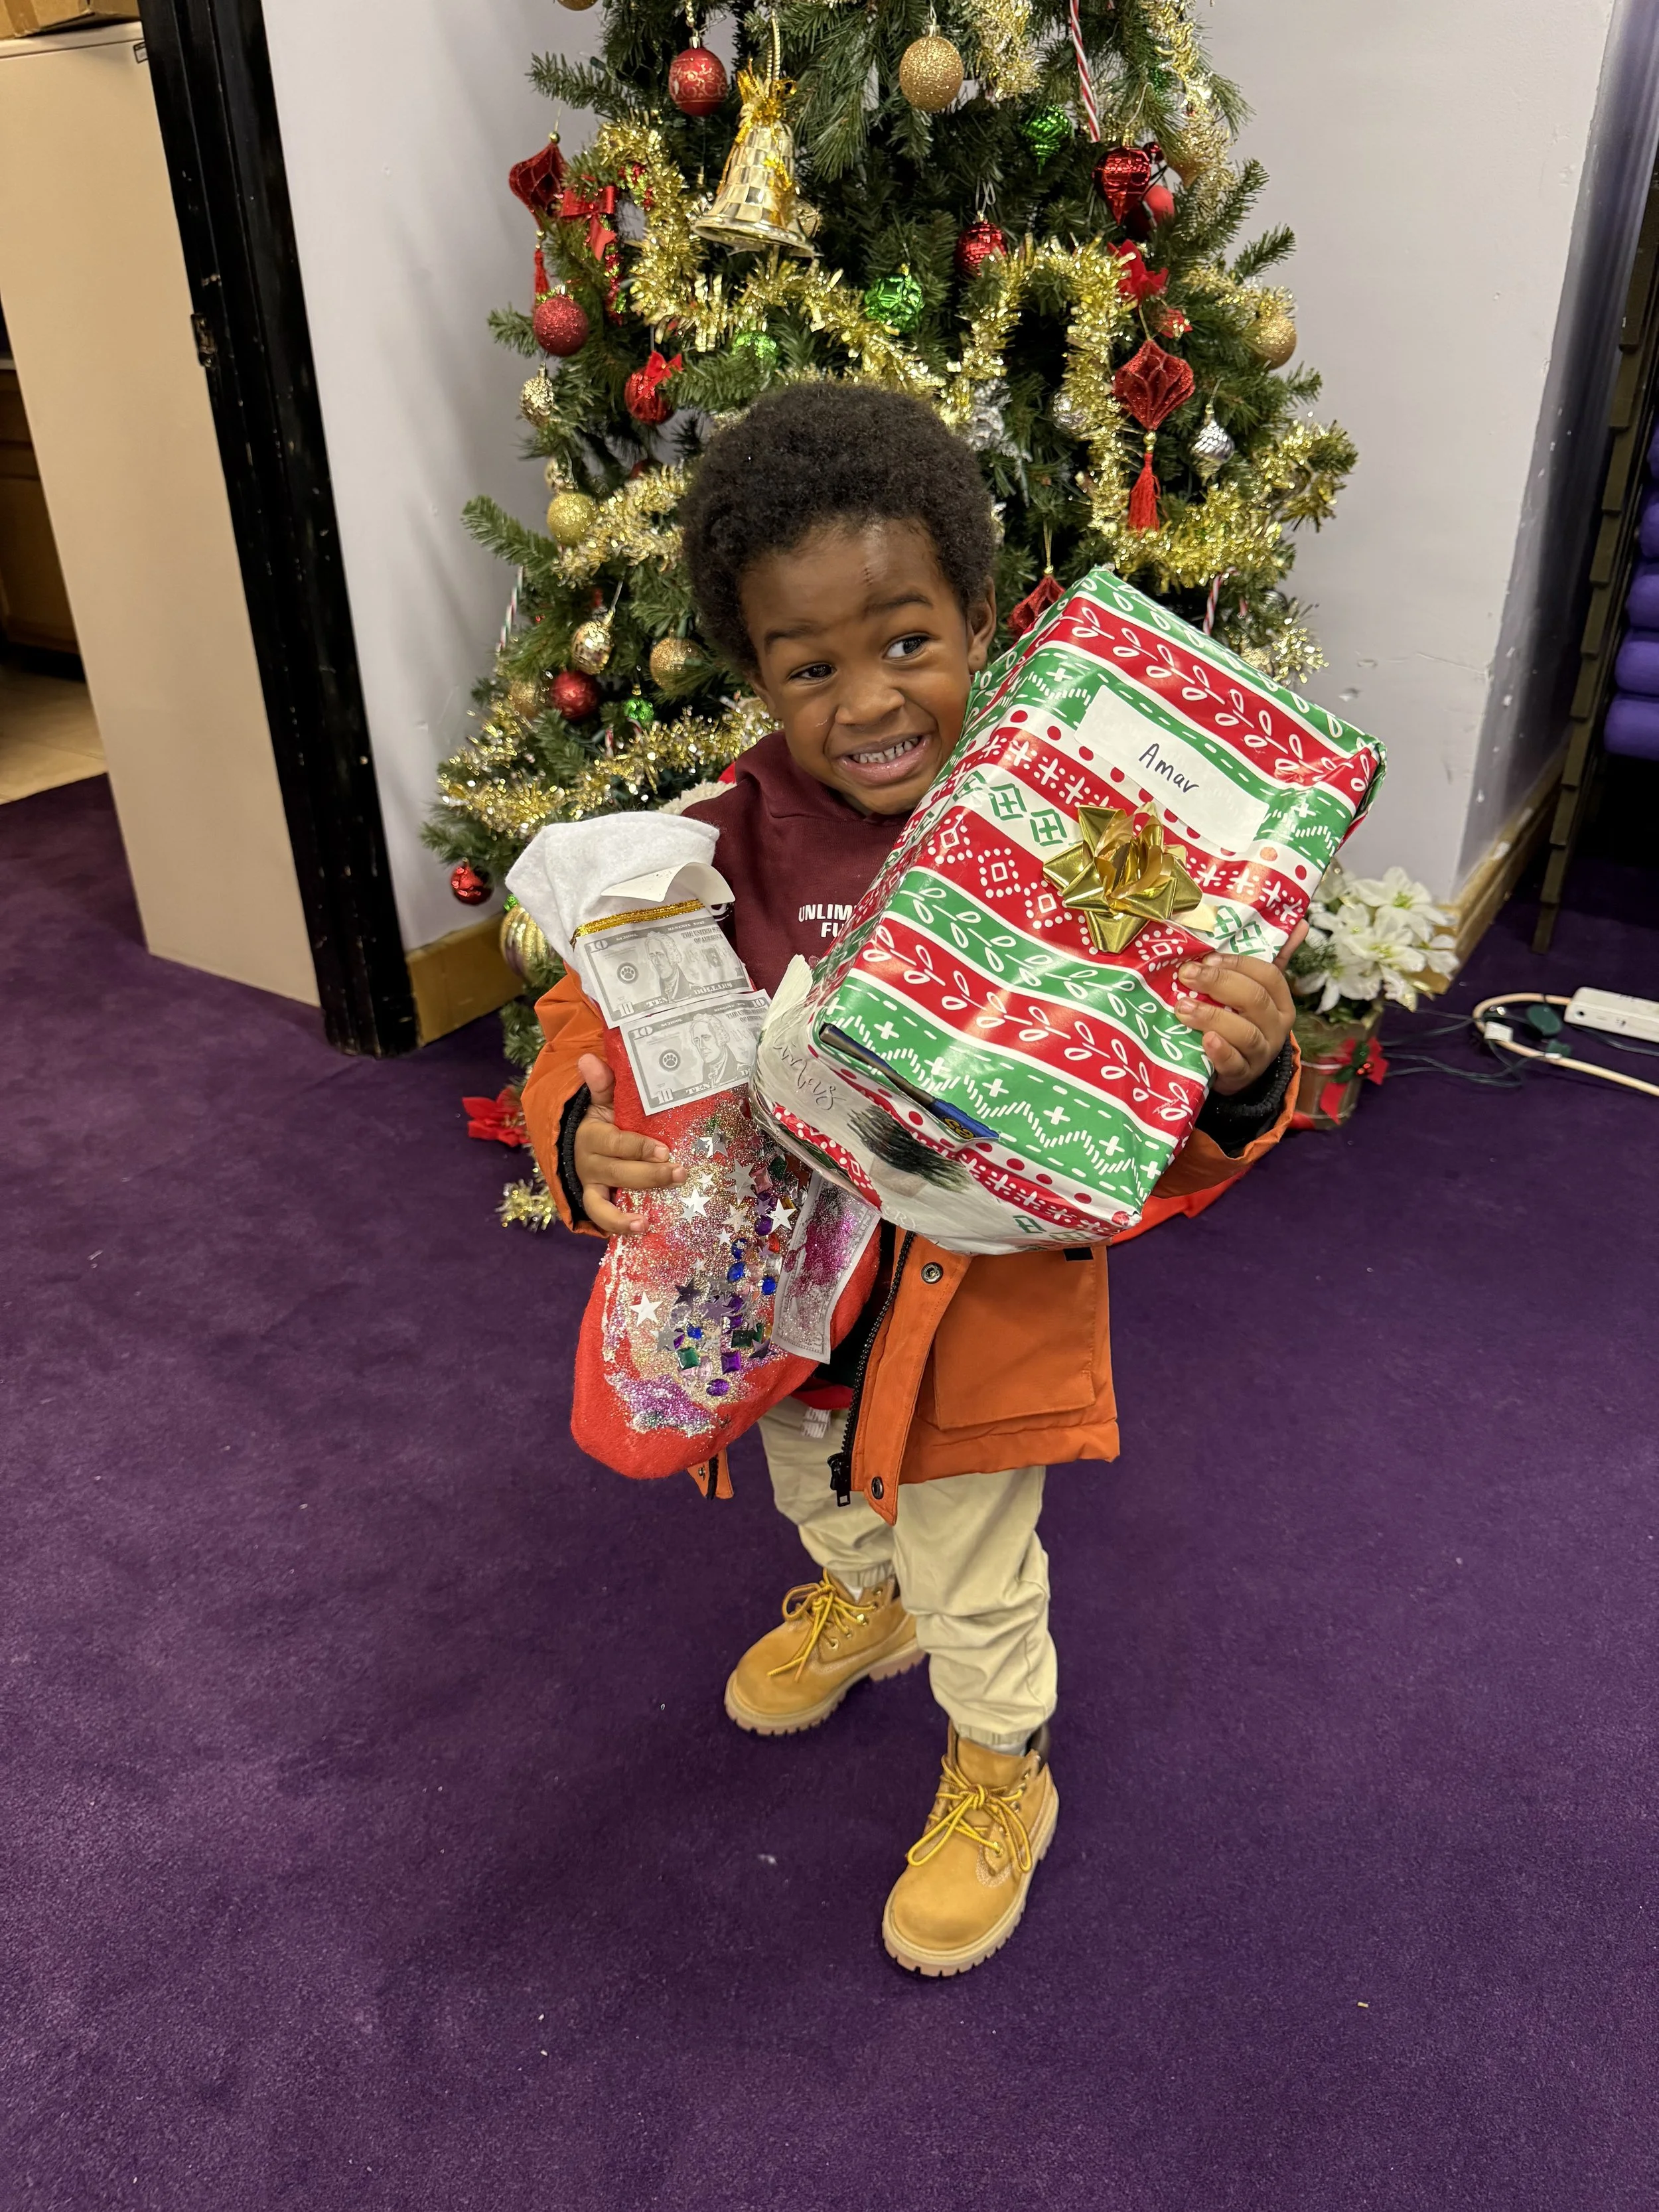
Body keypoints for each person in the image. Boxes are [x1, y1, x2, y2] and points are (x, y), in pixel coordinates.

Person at [520, 385, 1301, 1978]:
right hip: (780, 1311)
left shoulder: (1089, 848)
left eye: (907, 642)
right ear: (755, 676)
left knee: (975, 1570)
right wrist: (573, 1121)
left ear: (983, 621)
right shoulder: (712, 844)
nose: (868, 699)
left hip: (977, 1323)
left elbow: (1148, 1109)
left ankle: (1000, 1767)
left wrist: (1242, 1071)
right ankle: (852, 1599)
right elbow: (586, 1019)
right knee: (817, 1493)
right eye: (809, 667)